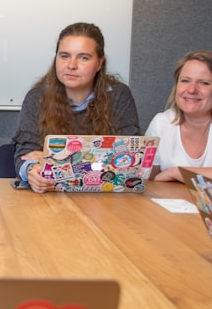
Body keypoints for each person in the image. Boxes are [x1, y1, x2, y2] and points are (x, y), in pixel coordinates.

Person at [12, 22, 140, 194]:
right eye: (64, 56)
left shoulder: (118, 96)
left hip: (105, 197)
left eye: (83, 57)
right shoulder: (37, 97)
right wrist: (32, 171)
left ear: (99, 63)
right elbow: (26, 153)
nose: (71, 65)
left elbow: (130, 156)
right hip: (51, 195)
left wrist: (58, 159)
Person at [145, 50, 212, 183]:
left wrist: (175, 172)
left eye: (204, 83)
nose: (191, 89)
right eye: (185, 81)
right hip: (175, 202)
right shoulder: (161, 122)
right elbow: (144, 177)